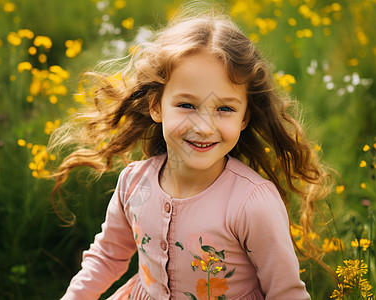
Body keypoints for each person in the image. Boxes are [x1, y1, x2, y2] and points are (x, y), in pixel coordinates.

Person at [50, 4, 331, 300]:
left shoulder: (251, 203)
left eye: (225, 109)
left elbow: (285, 293)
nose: (204, 127)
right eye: (187, 105)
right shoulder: (134, 183)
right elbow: (108, 255)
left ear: (244, 118)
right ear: (156, 105)